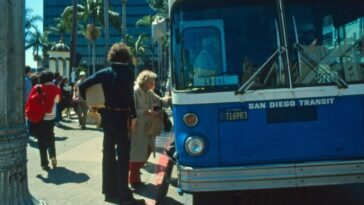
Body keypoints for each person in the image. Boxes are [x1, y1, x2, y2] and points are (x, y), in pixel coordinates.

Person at [78, 42, 145, 205]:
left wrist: (94, 104)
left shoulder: (103, 72)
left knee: (107, 153)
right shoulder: (128, 73)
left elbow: (82, 86)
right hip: (122, 117)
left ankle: (108, 191)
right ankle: (124, 195)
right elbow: (129, 98)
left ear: (111, 56)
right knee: (123, 156)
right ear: (125, 56)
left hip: (106, 117)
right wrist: (134, 117)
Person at [129, 70, 171, 188]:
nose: (154, 84)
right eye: (152, 81)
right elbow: (131, 109)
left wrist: (172, 97)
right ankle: (134, 180)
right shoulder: (136, 91)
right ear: (145, 81)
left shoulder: (148, 92)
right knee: (137, 153)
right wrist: (146, 111)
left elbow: (160, 100)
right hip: (138, 126)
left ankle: (133, 174)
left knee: (147, 149)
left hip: (147, 127)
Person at [27, 70, 61, 170]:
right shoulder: (56, 88)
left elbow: (30, 102)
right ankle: (53, 156)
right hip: (51, 116)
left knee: (41, 140)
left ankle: (44, 163)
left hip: (40, 116)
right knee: (50, 136)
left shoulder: (37, 87)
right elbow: (57, 100)